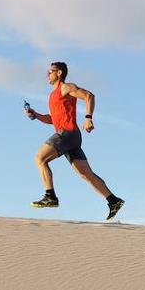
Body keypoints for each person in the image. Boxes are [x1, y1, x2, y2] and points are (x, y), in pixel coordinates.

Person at [24, 61, 125, 220]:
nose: (47, 74)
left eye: (50, 71)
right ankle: (113, 200)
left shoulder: (65, 87)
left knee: (40, 158)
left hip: (68, 133)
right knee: (86, 174)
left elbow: (89, 96)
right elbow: (52, 119)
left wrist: (88, 118)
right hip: (70, 137)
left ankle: (50, 196)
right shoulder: (52, 96)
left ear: (59, 73)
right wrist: (35, 115)